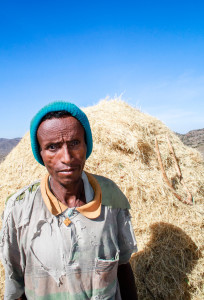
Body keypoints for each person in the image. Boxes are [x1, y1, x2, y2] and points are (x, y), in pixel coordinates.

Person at [0, 101, 138, 300]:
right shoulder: (19, 210)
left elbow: (123, 267)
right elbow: (16, 285)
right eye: (52, 147)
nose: (66, 157)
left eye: (74, 143)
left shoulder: (110, 197)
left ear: (86, 145)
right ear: (40, 153)